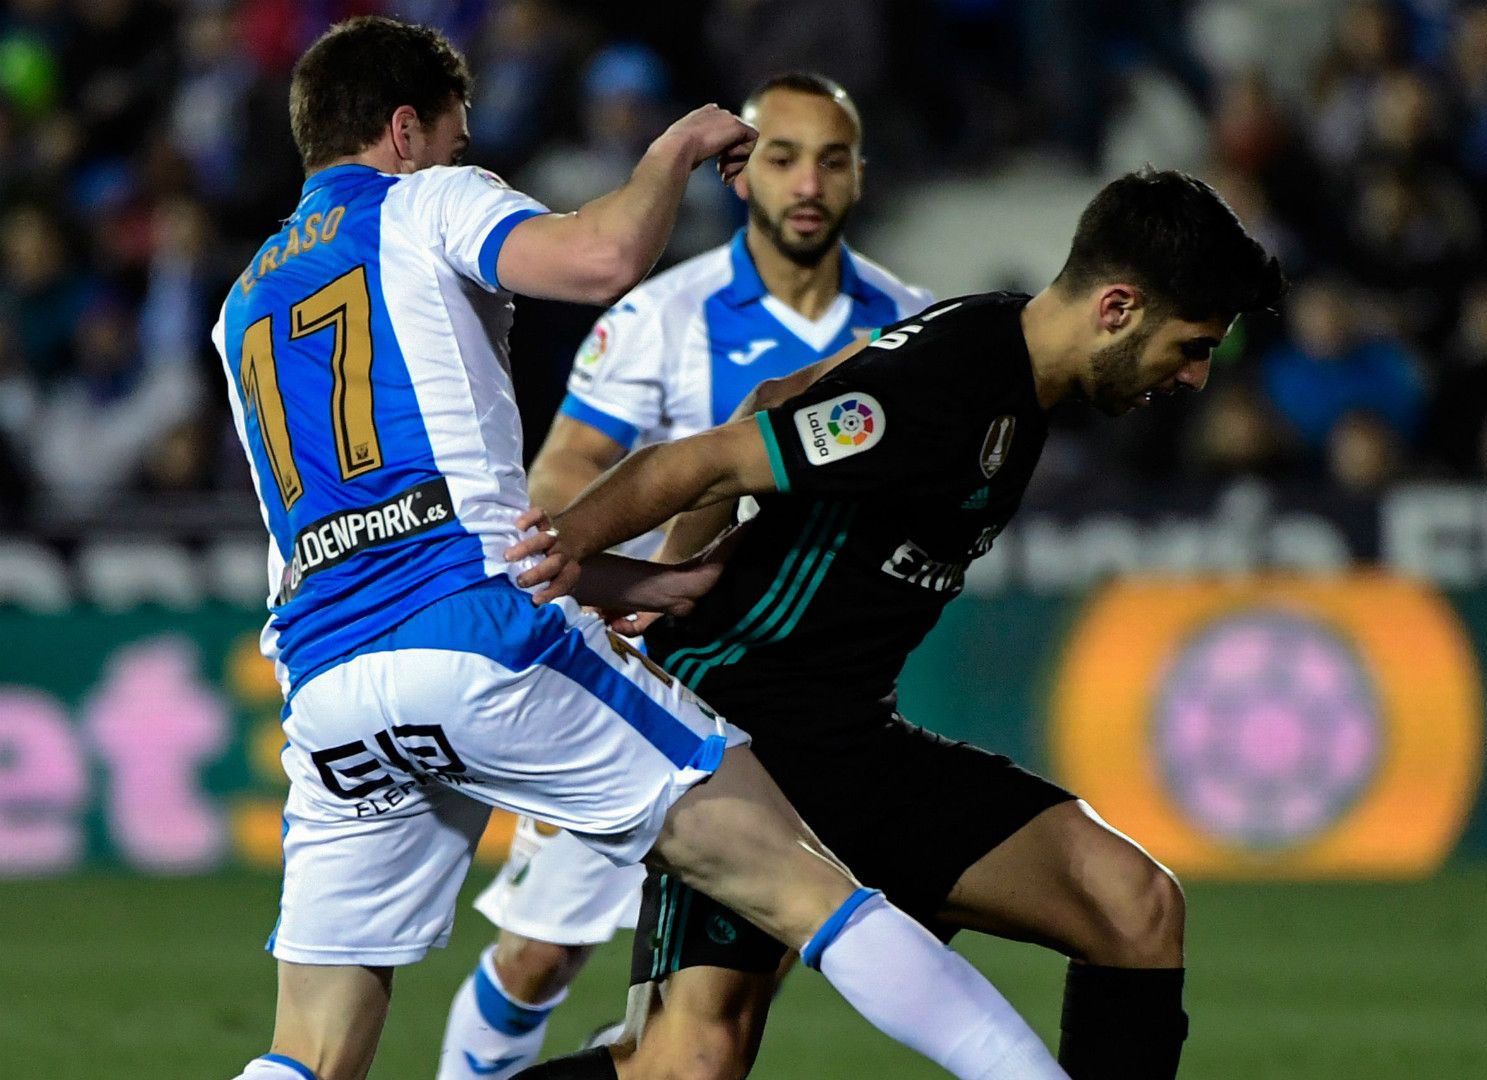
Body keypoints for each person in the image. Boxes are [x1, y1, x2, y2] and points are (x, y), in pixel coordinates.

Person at [217, 17, 1067, 1080]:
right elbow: (601, 257)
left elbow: (378, 526)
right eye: (456, 135)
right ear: (403, 129)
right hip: (477, 639)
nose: (464, 155)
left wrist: (646, 578)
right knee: (809, 886)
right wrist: (669, 154)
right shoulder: (424, 198)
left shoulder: (245, 297)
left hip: (329, 684)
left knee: (310, 1045)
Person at [511, 168, 1286, 1080]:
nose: (1195, 377)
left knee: (1134, 906)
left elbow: (777, 395)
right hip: (742, 734)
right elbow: (708, 460)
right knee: (688, 1064)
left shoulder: (998, 339)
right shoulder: (949, 386)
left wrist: (680, 572)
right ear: (1117, 306)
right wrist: (556, 566)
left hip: (853, 740)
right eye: (1191, 347)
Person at [439, 71, 931, 1079]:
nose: (808, 182)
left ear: (859, 177)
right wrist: (623, 586)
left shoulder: (914, 328)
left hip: (798, 701)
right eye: (784, 157)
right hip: (646, 685)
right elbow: (566, 472)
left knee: (716, 1015)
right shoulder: (663, 316)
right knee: (539, 954)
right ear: (743, 171)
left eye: (831, 160)